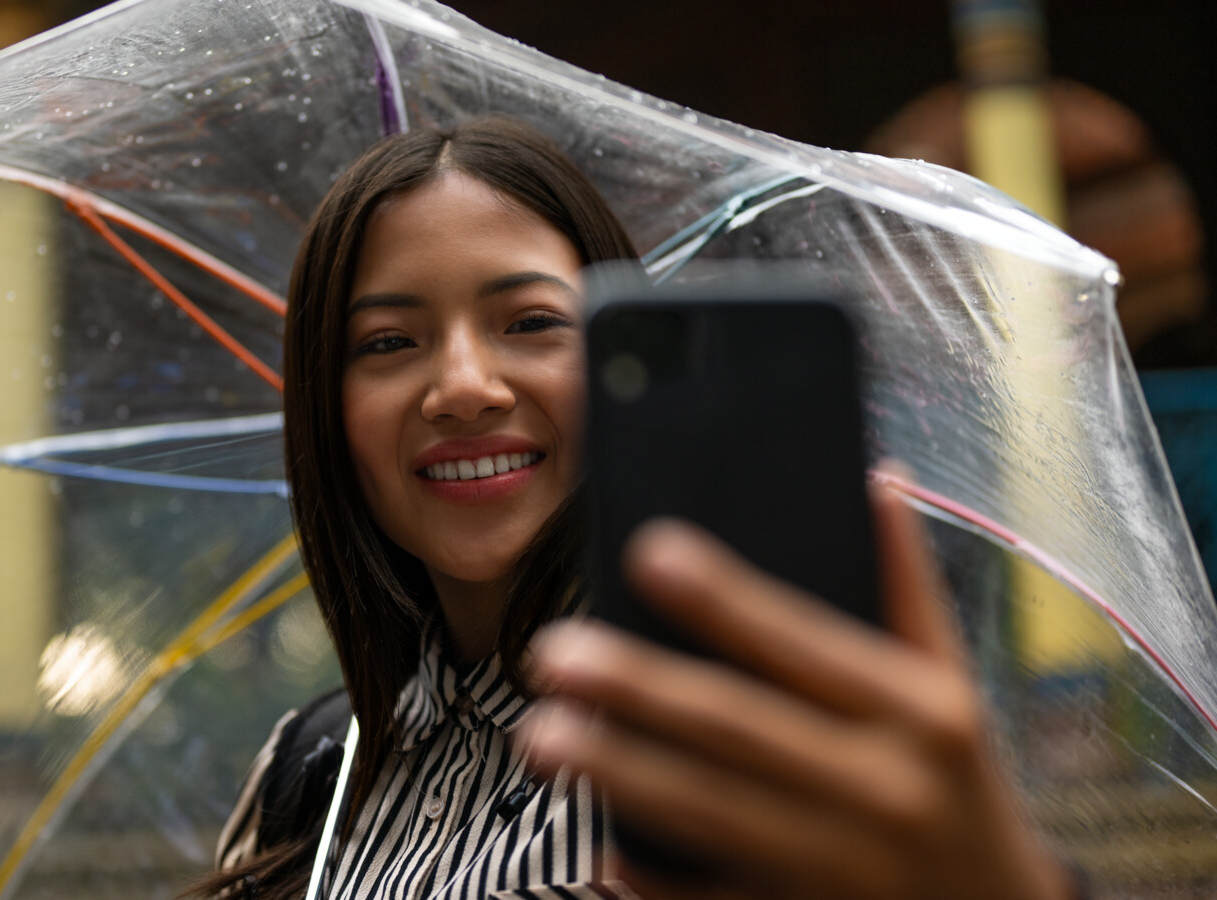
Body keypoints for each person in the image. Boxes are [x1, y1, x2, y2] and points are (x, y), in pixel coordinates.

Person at [191, 117, 1080, 900]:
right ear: (323, 404)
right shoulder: (307, 769)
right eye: (387, 342)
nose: (462, 389)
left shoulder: (763, 757)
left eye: (532, 322)